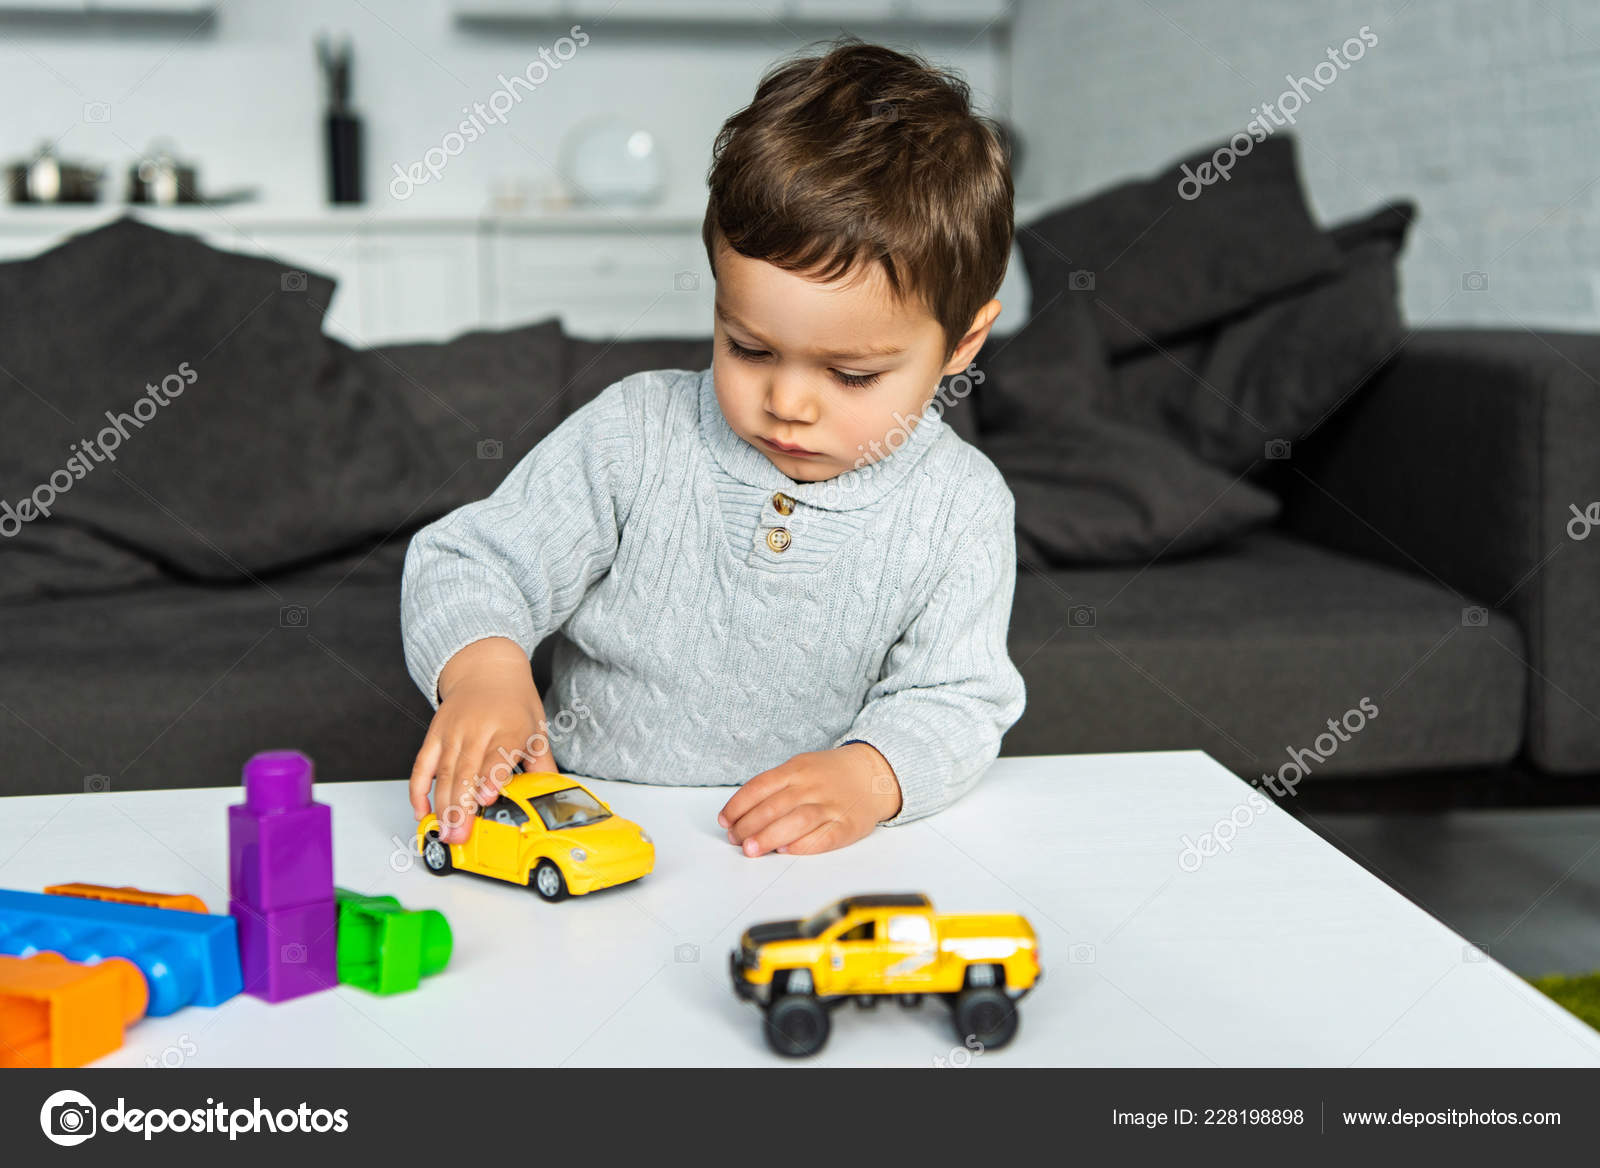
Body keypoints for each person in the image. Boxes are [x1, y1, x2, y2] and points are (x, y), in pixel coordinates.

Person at [402, 38, 1025, 857]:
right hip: (591, 837)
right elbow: (472, 561)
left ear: (963, 342)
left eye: (851, 374)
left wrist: (872, 777)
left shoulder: (963, 507)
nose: (788, 403)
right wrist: (483, 670)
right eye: (750, 348)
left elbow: (957, 699)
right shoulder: (635, 433)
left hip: (800, 864)